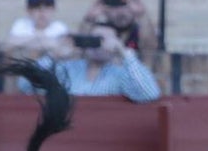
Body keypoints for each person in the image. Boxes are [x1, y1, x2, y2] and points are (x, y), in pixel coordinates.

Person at [18, 16, 160, 103]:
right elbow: (25, 85)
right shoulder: (67, 69)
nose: (99, 45)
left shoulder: (121, 74)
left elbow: (148, 94)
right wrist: (53, 56)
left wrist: (124, 53)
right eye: (94, 40)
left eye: (103, 40)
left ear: (115, 43)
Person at [81, 0, 160, 56]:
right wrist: (89, 19)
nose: (120, 12)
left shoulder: (141, 30)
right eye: (115, 7)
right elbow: (80, 50)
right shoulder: (98, 30)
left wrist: (142, 15)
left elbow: (150, 49)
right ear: (105, 11)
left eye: (125, 6)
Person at [3, 0, 72, 58]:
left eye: (47, 6)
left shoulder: (59, 28)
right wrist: (44, 41)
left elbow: (67, 51)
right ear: (28, 10)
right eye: (36, 6)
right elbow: (9, 45)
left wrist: (29, 42)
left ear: (53, 8)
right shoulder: (21, 25)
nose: (42, 11)